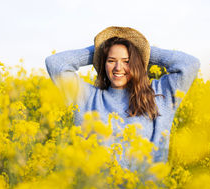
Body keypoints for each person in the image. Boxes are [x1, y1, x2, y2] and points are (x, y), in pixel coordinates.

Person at [45, 26, 200, 167]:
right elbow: (55, 63)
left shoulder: (159, 95)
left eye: (126, 61)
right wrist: (101, 48)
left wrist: (141, 49)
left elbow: (189, 64)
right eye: (111, 61)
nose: (118, 68)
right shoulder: (87, 98)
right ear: (103, 64)